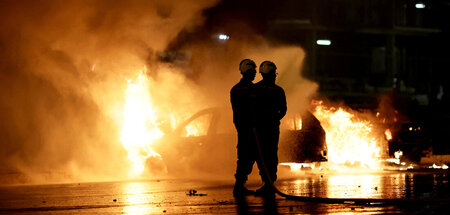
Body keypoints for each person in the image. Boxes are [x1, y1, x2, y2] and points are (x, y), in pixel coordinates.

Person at [254, 61, 287, 196]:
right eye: (273, 74)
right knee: (270, 154)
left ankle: (268, 183)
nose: (274, 76)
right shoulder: (278, 90)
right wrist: (275, 118)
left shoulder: (255, 89)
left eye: (275, 74)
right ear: (267, 74)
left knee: (263, 155)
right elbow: (283, 110)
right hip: (271, 128)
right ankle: (269, 182)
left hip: (262, 128)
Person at [230, 59, 258, 196]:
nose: (254, 74)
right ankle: (240, 186)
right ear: (246, 72)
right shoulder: (253, 89)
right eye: (252, 72)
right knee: (252, 157)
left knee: (244, 158)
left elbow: (237, 111)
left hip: (242, 128)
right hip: (251, 129)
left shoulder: (235, 89)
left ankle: (239, 185)